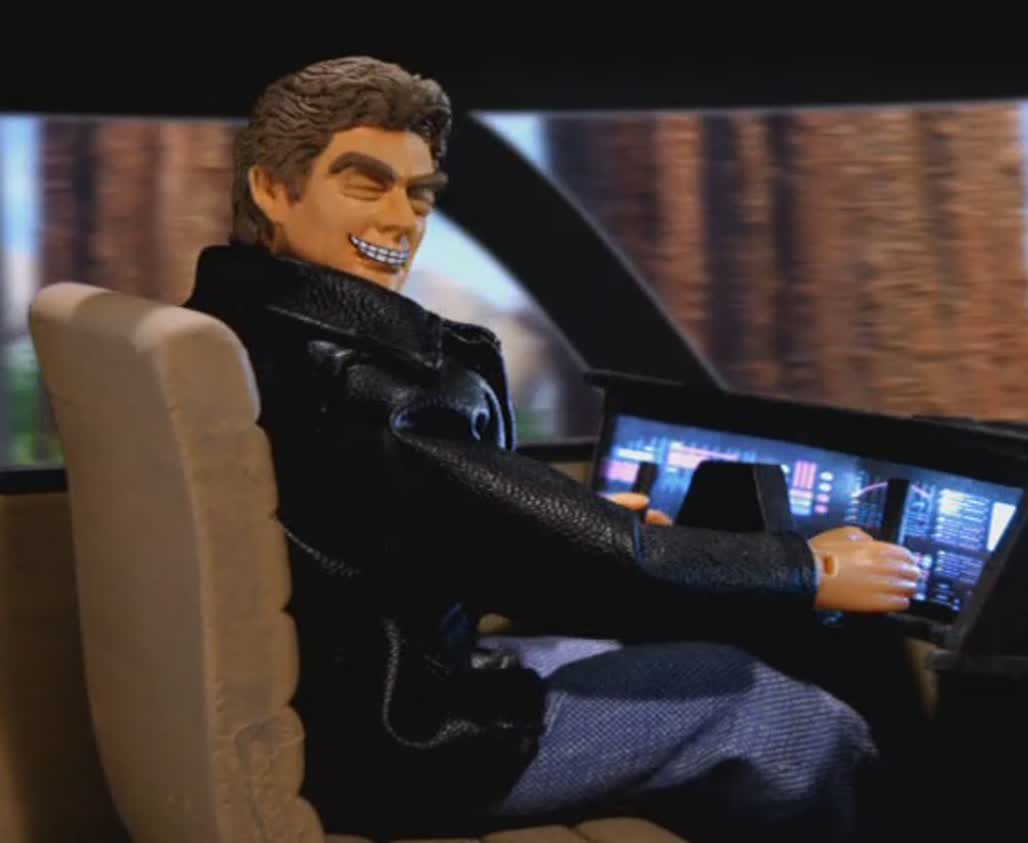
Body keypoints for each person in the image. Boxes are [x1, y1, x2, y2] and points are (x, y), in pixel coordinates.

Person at [182, 55, 922, 842]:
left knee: (637, 646)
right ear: (272, 189)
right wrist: (808, 567)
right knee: (790, 719)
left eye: (419, 193)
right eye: (366, 185)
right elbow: (606, 546)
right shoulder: (356, 382)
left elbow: (422, 511)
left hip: (362, 699)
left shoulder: (249, 325)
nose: (402, 220)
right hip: (412, 740)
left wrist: (563, 522)